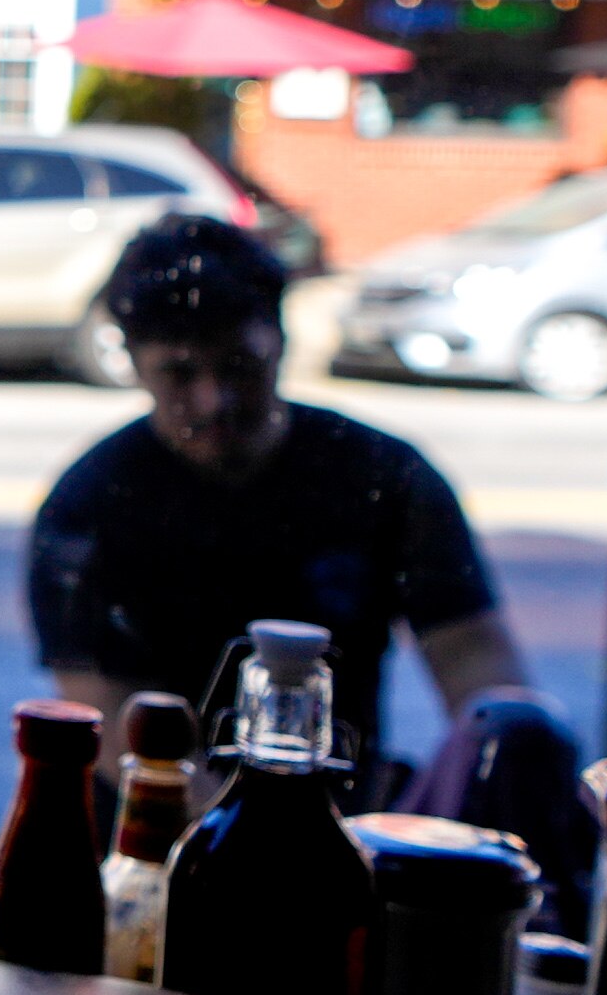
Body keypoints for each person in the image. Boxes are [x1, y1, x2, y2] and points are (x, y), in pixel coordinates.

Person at [29, 212, 540, 790]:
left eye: (240, 368)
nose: (212, 401)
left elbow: (475, 666)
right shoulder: (88, 506)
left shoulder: (387, 478)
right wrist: (246, 833)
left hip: (342, 821)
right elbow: (112, 727)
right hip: (151, 827)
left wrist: (512, 766)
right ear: (136, 367)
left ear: (282, 344)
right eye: (179, 374)